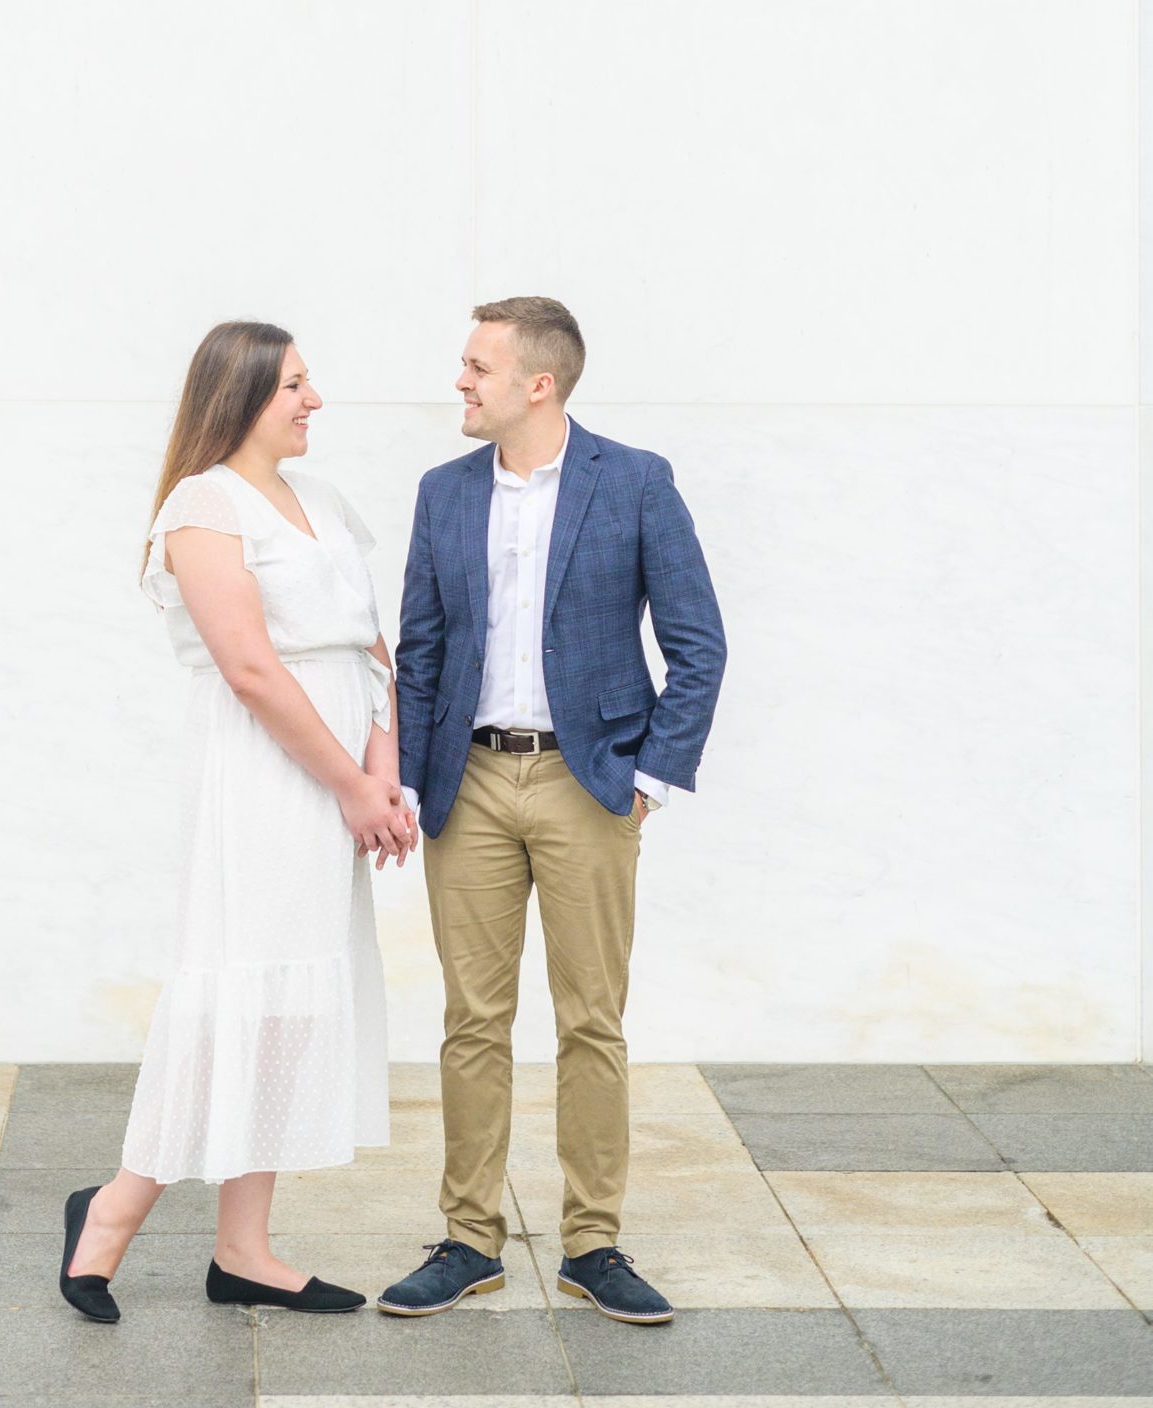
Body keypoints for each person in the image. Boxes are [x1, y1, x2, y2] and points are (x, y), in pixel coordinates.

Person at [379, 296, 726, 1328]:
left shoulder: (632, 482)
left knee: (590, 1021)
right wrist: (406, 777)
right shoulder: (441, 493)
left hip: (589, 784)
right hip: (469, 784)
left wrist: (649, 776)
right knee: (471, 1022)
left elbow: (697, 641)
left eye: (475, 365)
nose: (458, 380)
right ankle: (468, 1238)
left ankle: (593, 1243)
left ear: (539, 382)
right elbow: (421, 648)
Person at [60, 319, 415, 1324]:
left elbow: (371, 646)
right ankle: (113, 1211)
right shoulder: (201, 505)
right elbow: (251, 668)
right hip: (268, 774)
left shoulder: (323, 499)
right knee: (243, 987)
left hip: (341, 760)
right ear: (243, 393)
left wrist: (380, 772)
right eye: (294, 384)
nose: (313, 401)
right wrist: (349, 784)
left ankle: (243, 1247)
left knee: (291, 1001)